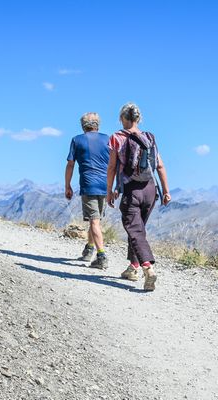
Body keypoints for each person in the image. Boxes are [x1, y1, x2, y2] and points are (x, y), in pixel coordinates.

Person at [106, 103, 170, 291]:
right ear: (138, 119)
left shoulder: (117, 137)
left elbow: (111, 167)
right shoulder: (148, 137)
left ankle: (147, 268)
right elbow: (160, 166)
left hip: (131, 189)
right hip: (150, 189)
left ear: (121, 118)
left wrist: (110, 190)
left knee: (135, 231)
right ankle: (133, 267)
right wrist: (166, 191)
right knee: (138, 229)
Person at [65, 112, 110, 269]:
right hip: (106, 185)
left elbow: (70, 164)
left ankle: (101, 256)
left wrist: (67, 185)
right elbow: (115, 164)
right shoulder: (108, 139)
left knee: (94, 221)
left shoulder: (77, 140)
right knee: (95, 220)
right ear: (98, 124)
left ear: (83, 125)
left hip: (88, 184)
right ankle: (89, 250)